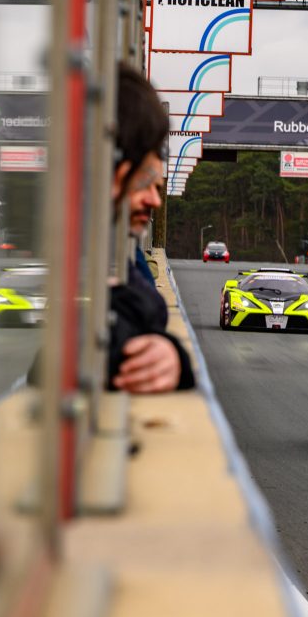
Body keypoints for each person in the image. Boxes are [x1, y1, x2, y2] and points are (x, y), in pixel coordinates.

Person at [106, 63, 195, 393]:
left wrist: (173, 355)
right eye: (144, 182)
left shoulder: (121, 252)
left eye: (157, 187)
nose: (155, 201)